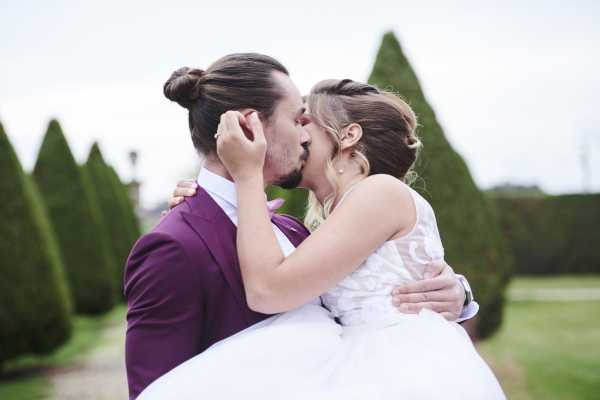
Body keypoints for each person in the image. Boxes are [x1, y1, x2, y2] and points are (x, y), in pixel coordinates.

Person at [124, 53, 476, 399]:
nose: (302, 136)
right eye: (297, 120)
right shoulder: (173, 245)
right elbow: (155, 388)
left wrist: (458, 294)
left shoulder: (296, 229)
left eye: (307, 121)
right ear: (251, 127)